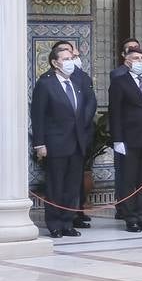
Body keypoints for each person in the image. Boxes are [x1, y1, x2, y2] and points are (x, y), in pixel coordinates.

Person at [30, 44, 95, 238]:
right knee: (55, 185)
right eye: (65, 59)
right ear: (54, 63)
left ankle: (67, 222)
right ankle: (55, 224)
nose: (70, 63)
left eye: (71, 59)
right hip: (56, 144)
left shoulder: (76, 83)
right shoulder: (46, 84)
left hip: (76, 144)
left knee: (72, 187)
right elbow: (38, 116)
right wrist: (39, 144)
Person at [109, 44, 142, 232]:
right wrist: (117, 139)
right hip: (129, 138)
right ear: (127, 62)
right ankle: (129, 217)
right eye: (136, 59)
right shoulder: (120, 82)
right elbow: (114, 112)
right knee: (129, 180)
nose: (140, 62)